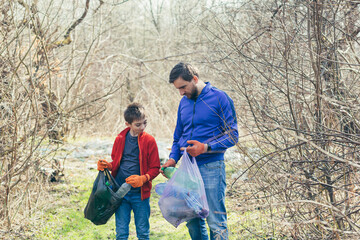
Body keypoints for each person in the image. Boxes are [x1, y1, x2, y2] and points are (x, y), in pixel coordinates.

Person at [161, 62, 238, 240]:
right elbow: (178, 137)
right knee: (192, 221)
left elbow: (233, 135)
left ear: (195, 79)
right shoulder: (183, 103)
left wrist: (205, 148)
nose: (181, 92)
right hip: (186, 171)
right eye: (178, 89)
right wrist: (173, 159)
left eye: (183, 87)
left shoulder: (220, 98)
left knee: (215, 221)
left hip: (211, 168)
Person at [97, 103, 160, 240]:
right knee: (121, 233)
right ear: (128, 124)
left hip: (140, 195)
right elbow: (117, 162)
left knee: (143, 232)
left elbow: (156, 168)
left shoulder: (149, 140)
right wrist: (108, 166)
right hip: (121, 193)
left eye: (145, 123)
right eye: (138, 125)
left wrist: (143, 179)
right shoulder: (120, 139)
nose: (142, 127)